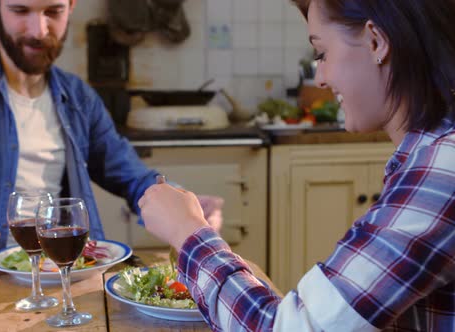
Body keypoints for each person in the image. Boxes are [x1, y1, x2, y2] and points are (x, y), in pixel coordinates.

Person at [138, 0, 455, 330]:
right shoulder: (432, 156)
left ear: (376, 41)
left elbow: (290, 326)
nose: (320, 78)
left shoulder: (440, 171)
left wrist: (188, 232)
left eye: (322, 54)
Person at [0, 0, 222, 278]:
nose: (39, 30)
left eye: (53, 11)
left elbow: (134, 179)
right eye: (21, 10)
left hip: (71, 283)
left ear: (72, 6)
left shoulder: (79, 99)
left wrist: (185, 205)